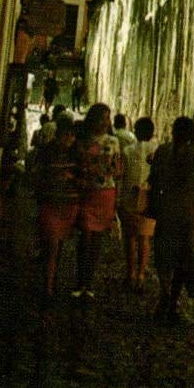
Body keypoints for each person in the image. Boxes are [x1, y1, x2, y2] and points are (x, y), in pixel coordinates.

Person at [146, 116, 194, 324]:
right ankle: (172, 302)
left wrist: (152, 207)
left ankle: (164, 292)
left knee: (163, 255)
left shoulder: (162, 152)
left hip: (166, 207)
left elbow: (153, 182)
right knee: (183, 258)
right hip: (189, 211)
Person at [74, 102, 121, 301]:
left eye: (107, 118)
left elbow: (118, 170)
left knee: (97, 241)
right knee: (85, 237)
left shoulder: (113, 141)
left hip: (105, 194)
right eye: (102, 117)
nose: (105, 122)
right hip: (87, 192)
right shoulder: (83, 140)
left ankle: (89, 282)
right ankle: (80, 280)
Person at [34, 112, 82, 306]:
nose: (69, 139)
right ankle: (48, 286)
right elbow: (36, 174)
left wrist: (72, 179)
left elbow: (83, 178)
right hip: (51, 203)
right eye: (65, 135)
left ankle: (50, 281)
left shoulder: (76, 154)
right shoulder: (46, 151)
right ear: (58, 134)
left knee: (57, 245)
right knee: (53, 245)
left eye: (72, 136)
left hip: (68, 205)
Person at [117, 116, 158, 293]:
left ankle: (130, 273)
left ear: (135, 131)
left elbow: (121, 175)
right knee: (145, 237)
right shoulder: (157, 150)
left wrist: (117, 199)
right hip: (149, 199)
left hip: (128, 197)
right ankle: (141, 274)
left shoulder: (126, 151)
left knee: (130, 238)